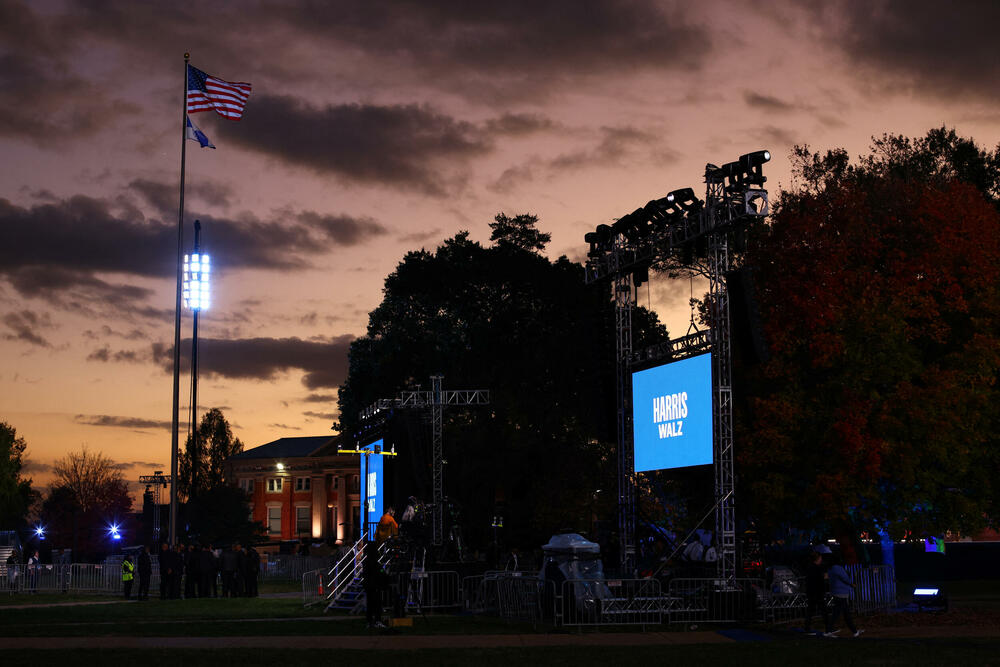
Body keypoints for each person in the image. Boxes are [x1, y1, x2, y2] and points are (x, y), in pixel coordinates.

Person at [825, 556, 864, 638]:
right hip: (841, 593)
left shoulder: (830, 568)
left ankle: (854, 631)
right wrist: (852, 584)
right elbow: (845, 578)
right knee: (838, 614)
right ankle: (828, 631)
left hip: (836, 592)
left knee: (845, 613)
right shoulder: (838, 568)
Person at [803, 548, 831, 636]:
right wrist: (825, 578)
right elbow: (818, 581)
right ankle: (828, 629)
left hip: (812, 592)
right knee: (823, 611)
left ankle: (808, 629)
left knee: (810, 612)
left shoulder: (810, 567)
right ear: (818, 558)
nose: (821, 559)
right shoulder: (816, 568)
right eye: (820, 558)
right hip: (817, 593)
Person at [363, 541, 386, 628]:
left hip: (369, 585)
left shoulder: (366, 562)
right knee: (377, 604)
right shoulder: (374, 563)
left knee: (370, 605)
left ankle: (370, 621)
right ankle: (377, 620)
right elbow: (379, 571)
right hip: (375, 585)